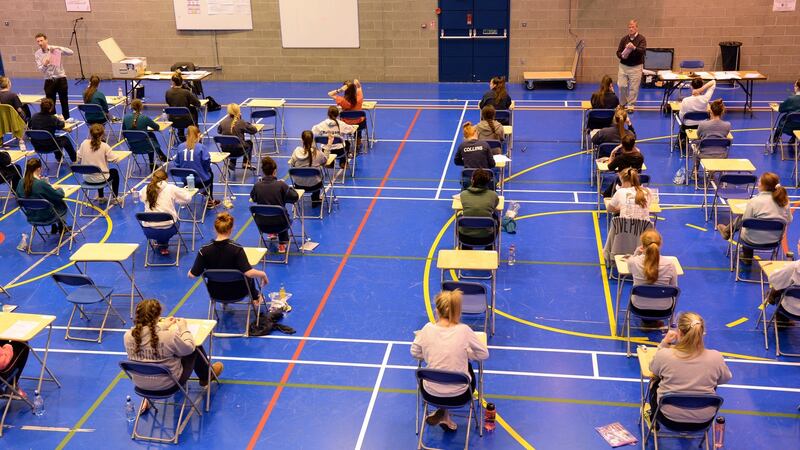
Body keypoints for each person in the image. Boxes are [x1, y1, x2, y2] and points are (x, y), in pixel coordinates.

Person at [411, 290, 489, 432]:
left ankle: (443, 413)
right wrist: (466, 354)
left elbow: (414, 352)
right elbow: (483, 354)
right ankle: (444, 414)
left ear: (437, 309)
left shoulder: (427, 329)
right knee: (465, 368)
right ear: (457, 310)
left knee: (439, 370)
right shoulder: (464, 330)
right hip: (459, 396)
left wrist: (430, 353)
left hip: (430, 394)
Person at [124, 299, 223, 401]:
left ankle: (206, 375)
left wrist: (163, 325)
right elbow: (189, 348)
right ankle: (206, 376)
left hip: (141, 385)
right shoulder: (168, 336)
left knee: (172, 351)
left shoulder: (127, 336)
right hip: (168, 385)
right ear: (158, 316)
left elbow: (148, 334)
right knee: (194, 348)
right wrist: (184, 328)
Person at [648, 312, 732, 428]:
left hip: (668, 418)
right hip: (703, 421)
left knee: (654, 381)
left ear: (680, 333)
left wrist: (665, 343)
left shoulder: (665, 355)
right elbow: (725, 379)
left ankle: (653, 418)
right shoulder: (716, 357)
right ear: (702, 333)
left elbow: (653, 369)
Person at [188, 212, 269, 305]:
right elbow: (249, 273)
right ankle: (255, 298)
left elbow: (192, 275)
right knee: (247, 274)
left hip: (216, 294)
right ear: (231, 229)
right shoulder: (237, 249)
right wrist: (263, 274)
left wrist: (192, 270)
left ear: (215, 229)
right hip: (239, 293)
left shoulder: (204, 250)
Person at [716, 172, 792, 261]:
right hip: (775, 240)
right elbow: (789, 219)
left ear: (763, 186)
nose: (758, 184)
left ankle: (746, 256)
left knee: (743, 220)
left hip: (751, 239)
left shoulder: (754, 201)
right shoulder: (784, 201)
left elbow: (745, 221)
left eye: (759, 182)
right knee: (751, 222)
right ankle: (727, 231)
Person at [137, 169, 193, 255]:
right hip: (168, 229)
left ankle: (162, 245)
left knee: (157, 219)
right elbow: (187, 199)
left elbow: (140, 197)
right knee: (172, 220)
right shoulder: (171, 188)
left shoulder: (146, 188)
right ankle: (163, 245)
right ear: (166, 179)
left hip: (149, 230)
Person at [250, 156, 299, 254]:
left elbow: (254, 198)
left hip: (262, 225)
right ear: (275, 171)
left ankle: (272, 234)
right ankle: (282, 244)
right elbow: (295, 197)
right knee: (282, 213)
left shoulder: (257, 186)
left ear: (263, 171)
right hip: (280, 224)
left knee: (270, 209)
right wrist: (287, 188)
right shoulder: (281, 185)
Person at [16, 158, 68, 234]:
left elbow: (19, 197)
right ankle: (61, 226)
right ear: (38, 169)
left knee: (45, 200)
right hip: (47, 216)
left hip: (32, 216)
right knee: (60, 202)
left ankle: (56, 226)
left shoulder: (20, 182)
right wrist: (60, 189)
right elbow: (59, 195)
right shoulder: (40, 184)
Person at [174, 125, 218, 208]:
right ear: (198, 135)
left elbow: (177, 164)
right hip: (201, 182)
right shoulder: (201, 147)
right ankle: (210, 200)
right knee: (210, 173)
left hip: (186, 182)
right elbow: (206, 162)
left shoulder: (180, 147)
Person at [76, 124, 120, 202]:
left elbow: (78, 157)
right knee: (114, 172)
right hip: (101, 178)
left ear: (90, 134)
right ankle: (115, 197)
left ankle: (101, 197)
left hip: (86, 178)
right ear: (102, 135)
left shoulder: (84, 143)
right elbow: (115, 160)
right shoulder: (105, 146)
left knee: (99, 170)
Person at [34, 33, 73, 120]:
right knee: (50, 103)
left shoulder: (55, 49)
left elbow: (71, 52)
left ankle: (67, 119)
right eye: (38, 41)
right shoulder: (37, 54)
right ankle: (52, 120)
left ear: (46, 40)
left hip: (61, 78)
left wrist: (59, 48)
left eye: (41, 40)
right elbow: (41, 70)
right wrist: (45, 64)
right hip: (49, 80)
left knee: (64, 101)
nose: (40, 43)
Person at [457, 169, 499, 249]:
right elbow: (494, 207)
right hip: (487, 238)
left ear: (472, 180)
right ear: (488, 182)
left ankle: (465, 248)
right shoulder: (493, 195)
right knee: (496, 218)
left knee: (459, 218)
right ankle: (489, 248)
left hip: (465, 238)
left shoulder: (463, 195)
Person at [288, 130, 329, 208]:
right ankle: (315, 199)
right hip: (315, 186)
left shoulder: (296, 151)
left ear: (302, 140)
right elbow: (325, 161)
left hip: (298, 185)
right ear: (312, 140)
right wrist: (328, 146)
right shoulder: (317, 153)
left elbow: (292, 164)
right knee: (318, 175)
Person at [29, 98, 77, 162]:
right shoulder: (53, 118)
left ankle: (59, 158)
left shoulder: (34, 116)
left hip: (37, 146)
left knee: (54, 138)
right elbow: (62, 125)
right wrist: (61, 119)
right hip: (50, 146)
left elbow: (29, 125)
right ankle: (74, 159)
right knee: (65, 139)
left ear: (41, 107)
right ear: (51, 108)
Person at [123, 99, 167, 166]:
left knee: (149, 135)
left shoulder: (125, 118)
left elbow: (124, 133)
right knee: (150, 137)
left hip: (133, 146)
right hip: (146, 146)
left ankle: (161, 155)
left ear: (131, 107)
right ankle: (152, 162)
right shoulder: (144, 118)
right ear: (141, 107)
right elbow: (157, 127)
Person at [693, 99, 732, 171]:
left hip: (704, 155)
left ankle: (695, 172)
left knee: (694, 147)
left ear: (711, 111)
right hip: (722, 155)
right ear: (722, 112)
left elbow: (698, 135)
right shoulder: (727, 125)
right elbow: (725, 134)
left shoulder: (703, 124)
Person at [616, 20, 646, 111]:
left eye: (633, 27)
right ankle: (622, 103)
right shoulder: (624, 39)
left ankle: (631, 105)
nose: (631, 29)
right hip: (623, 66)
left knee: (634, 87)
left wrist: (634, 48)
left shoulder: (642, 39)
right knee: (621, 85)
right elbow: (618, 52)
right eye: (629, 27)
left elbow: (642, 51)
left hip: (636, 67)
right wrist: (621, 55)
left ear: (637, 28)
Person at [763, 239, 800, 316]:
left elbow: (773, 279)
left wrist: (782, 268)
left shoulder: (794, 267)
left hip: (791, 309)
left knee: (779, 286)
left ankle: (782, 318)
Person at [217, 103, 258, 171]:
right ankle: (246, 163)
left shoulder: (222, 122)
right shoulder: (241, 122)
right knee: (249, 143)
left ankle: (232, 163)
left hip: (225, 150)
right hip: (237, 151)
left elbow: (219, 131)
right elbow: (254, 130)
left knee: (233, 142)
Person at [678, 79, 716, 149]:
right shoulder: (705, 99)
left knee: (681, 123)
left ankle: (682, 142)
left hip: (688, 126)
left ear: (691, 87)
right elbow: (713, 82)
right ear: (702, 86)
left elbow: (681, 116)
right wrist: (701, 90)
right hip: (702, 126)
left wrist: (698, 90)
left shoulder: (685, 100)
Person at [328, 79, 365, 148]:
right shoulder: (360, 97)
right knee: (361, 119)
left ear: (345, 90)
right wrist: (358, 85)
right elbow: (359, 88)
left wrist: (340, 90)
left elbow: (329, 94)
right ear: (354, 89)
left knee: (341, 119)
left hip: (346, 123)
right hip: (358, 123)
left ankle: (343, 142)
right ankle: (358, 142)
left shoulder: (343, 101)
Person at [165, 73, 201, 142]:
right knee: (193, 110)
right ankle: (195, 131)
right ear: (182, 82)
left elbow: (168, 103)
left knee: (178, 111)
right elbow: (197, 103)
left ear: (173, 82)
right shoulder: (186, 92)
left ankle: (180, 132)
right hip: (186, 120)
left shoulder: (168, 92)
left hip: (173, 121)